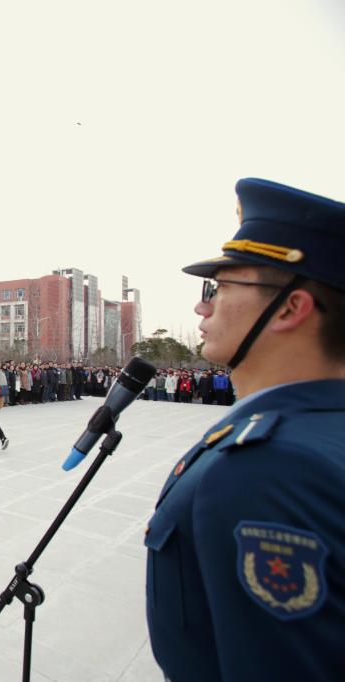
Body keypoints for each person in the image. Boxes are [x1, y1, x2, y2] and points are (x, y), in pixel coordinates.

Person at [145, 178, 345, 681]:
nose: (202, 307)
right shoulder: (317, 430)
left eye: (219, 288)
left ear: (291, 308)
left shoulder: (270, 469)